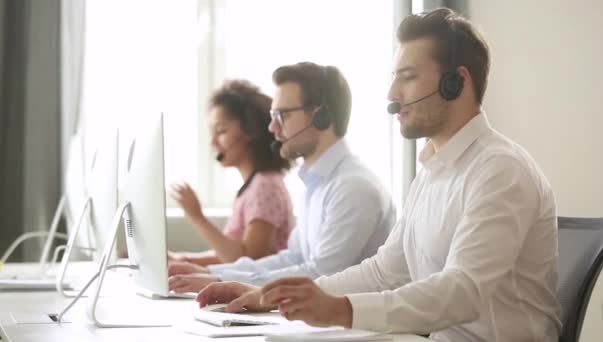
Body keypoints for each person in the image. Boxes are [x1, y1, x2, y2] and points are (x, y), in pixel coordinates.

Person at [195, 8, 562, 342]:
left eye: (407, 77)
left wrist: (340, 309)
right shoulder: (433, 173)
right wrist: (273, 297)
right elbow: (385, 271)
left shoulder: (500, 171)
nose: (391, 94)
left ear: (457, 82)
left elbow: (462, 290)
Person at [168, 62, 395, 294]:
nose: (272, 128)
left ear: (321, 117)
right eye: (272, 115)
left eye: (282, 115)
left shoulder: (352, 188)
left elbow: (321, 275)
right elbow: (293, 257)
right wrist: (215, 275)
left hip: (355, 325)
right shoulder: (317, 184)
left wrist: (222, 281)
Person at [167, 79, 295, 281]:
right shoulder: (255, 185)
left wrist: (197, 216)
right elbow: (229, 256)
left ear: (250, 132)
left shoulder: (266, 186)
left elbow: (248, 259)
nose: (213, 142)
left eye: (221, 131)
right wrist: (182, 260)